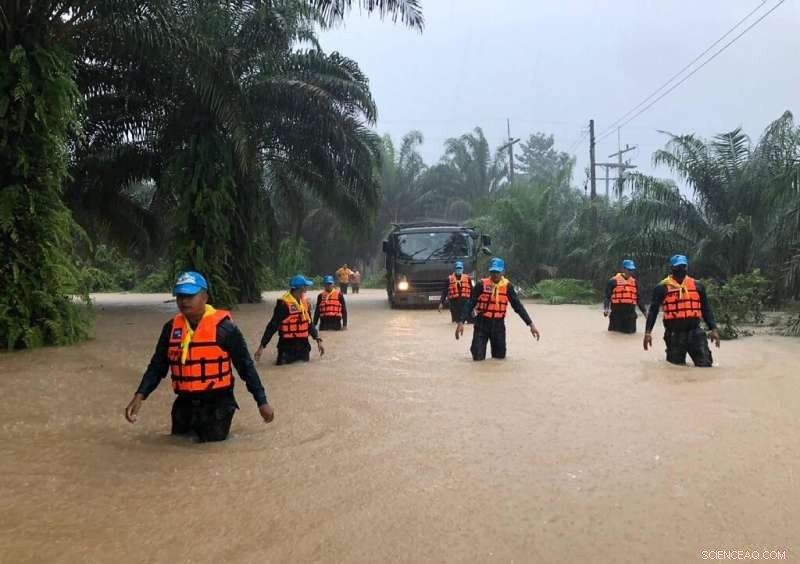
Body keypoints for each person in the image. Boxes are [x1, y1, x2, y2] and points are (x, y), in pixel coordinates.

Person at [124, 271, 274, 442]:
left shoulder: (225, 329)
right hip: (184, 404)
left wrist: (262, 402)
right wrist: (140, 395)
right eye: (180, 296)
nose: (184, 301)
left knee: (212, 451)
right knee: (178, 448)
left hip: (218, 405)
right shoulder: (170, 329)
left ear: (204, 297)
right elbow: (157, 366)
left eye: (189, 295)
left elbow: (246, 367)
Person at [455, 257, 540, 360]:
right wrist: (461, 322)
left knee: (499, 359)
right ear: (489, 271)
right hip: (482, 324)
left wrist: (531, 325)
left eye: (497, 272)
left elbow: (518, 307)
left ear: (503, 272)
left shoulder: (508, 287)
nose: (495, 274)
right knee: (477, 357)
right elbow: (470, 303)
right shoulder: (481, 285)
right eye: (493, 271)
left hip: (498, 325)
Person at [643, 255, 721, 367]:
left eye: (683, 267)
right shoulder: (662, 288)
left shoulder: (698, 286)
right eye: (678, 267)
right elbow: (653, 312)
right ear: (672, 268)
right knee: (676, 369)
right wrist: (648, 332)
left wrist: (713, 329)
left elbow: (706, 309)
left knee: (706, 365)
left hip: (695, 332)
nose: (681, 270)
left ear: (687, 267)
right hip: (674, 335)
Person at [255, 274, 324, 365]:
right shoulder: (283, 304)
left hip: (303, 348)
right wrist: (261, 346)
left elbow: (309, 324)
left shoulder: (304, 303)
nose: (307, 287)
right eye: (305, 285)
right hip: (286, 348)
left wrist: (318, 340)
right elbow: (272, 326)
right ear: (300, 288)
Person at [603, 259, 648, 333]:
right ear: (623, 269)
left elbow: (639, 299)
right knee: (614, 335)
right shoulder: (612, 281)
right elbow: (607, 297)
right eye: (628, 269)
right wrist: (606, 308)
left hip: (630, 316)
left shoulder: (635, 282)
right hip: (616, 315)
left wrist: (645, 313)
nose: (630, 272)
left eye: (632, 270)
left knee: (630, 336)